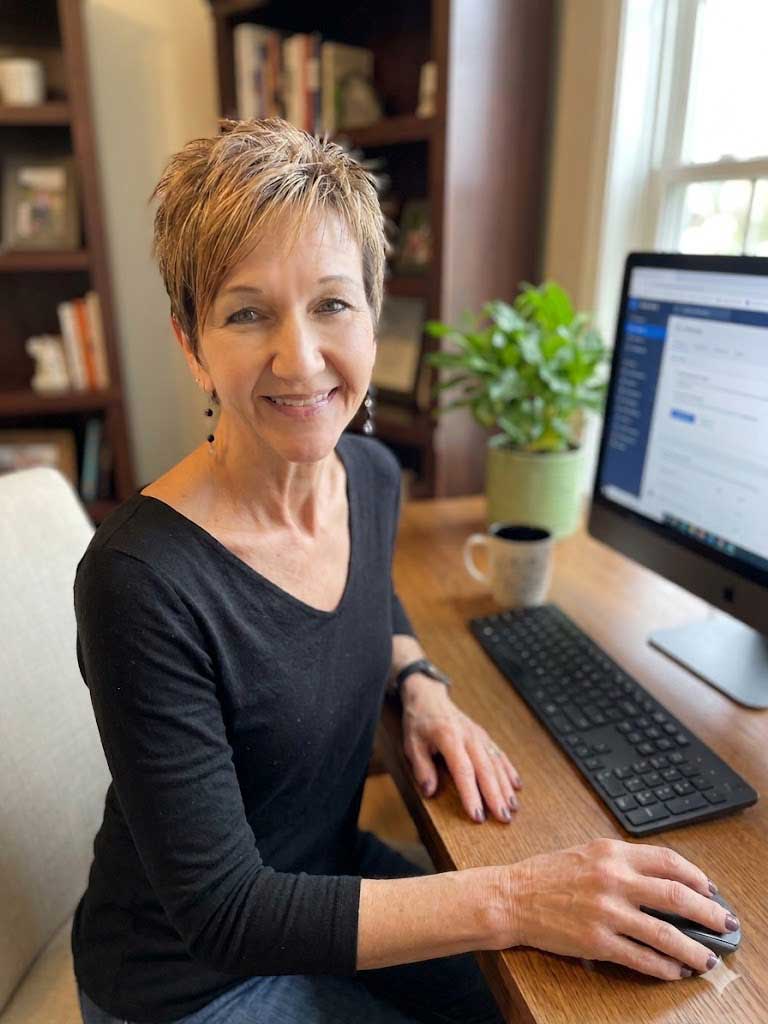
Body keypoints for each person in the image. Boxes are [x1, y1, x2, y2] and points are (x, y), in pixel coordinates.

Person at [72, 118, 736, 1024]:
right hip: (189, 981)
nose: (300, 358)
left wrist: (418, 683)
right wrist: (521, 896)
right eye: (247, 311)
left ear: (375, 318)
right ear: (191, 341)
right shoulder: (139, 580)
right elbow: (226, 913)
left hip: (326, 878)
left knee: (567, 995)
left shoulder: (372, 477)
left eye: (333, 304)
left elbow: (366, 599)